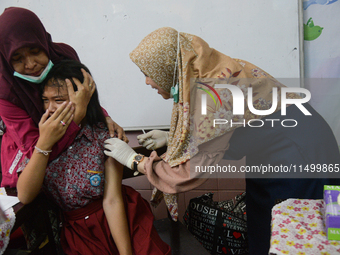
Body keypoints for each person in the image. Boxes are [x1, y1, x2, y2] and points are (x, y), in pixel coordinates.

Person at [103, 27, 340, 254]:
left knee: (298, 234)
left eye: (148, 73)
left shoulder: (213, 94)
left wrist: (134, 160)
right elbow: (231, 131)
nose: (147, 82)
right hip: (283, 146)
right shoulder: (207, 70)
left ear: (167, 67)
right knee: (263, 223)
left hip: (299, 156)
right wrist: (171, 137)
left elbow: (188, 174)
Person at [16, 60, 171, 255]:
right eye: (45, 100)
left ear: (83, 98)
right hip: (79, 232)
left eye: (59, 99)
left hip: (121, 220)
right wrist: (44, 144)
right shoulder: (37, 138)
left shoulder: (102, 133)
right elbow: (25, 195)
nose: (51, 109)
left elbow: (112, 200)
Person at [0, 7, 127, 188]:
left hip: (70, 145)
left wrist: (103, 116)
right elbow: (37, 150)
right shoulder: (5, 91)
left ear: (43, 41)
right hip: (32, 153)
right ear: (6, 59)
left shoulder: (63, 56)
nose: (30, 64)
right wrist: (76, 117)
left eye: (35, 51)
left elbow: (84, 96)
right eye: (18, 58)